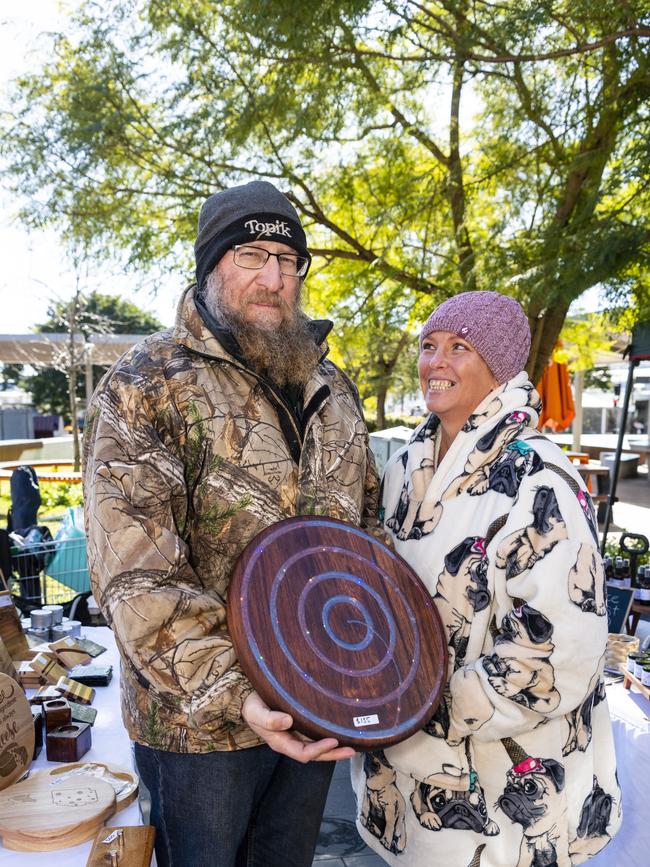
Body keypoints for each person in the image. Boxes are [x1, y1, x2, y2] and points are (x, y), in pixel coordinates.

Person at [82, 180, 386, 867]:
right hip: (199, 730)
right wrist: (243, 694)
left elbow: (366, 533)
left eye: (287, 258)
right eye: (252, 253)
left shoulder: (332, 388)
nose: (274, 277)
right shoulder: (147, 381)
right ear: (211, 264)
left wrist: (369, 667)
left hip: (316, 704)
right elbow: (133, 573)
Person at [351, 291, 621, 867]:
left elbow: (553, 653)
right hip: (408, 785)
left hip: (502, 802)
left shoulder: (540, 479)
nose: (436, 362)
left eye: (460, 348)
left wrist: (421, 708)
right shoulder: (404, 470)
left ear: (499, 367)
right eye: (428, 346)